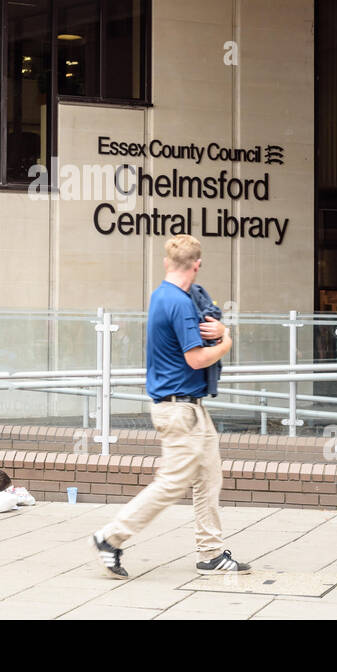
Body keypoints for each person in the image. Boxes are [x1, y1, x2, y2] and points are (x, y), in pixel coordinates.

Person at [91, 234, 251, 579]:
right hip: (179, 409)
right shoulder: (179, 304)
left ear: (167, 262)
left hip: (190, 407)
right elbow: (196, 359)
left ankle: (210, 553)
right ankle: (110, 537)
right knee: (172, 483)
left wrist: (220, 329)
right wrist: (227, 340)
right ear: (197, 265)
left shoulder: (162, 295)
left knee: (209, 475)